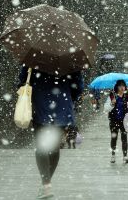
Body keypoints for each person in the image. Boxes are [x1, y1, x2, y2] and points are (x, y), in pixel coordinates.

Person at [17, 66, 83, 199]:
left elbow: (22, 81)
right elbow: (78, 87)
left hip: (40, 106)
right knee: (54, 148)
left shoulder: (33, 58)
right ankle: (46, 185)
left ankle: (46, 184)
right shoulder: (71, 60)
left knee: (41, 146)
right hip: (62, 108)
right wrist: (68, 97)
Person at [108, 80, 128, 164]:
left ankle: (125, 156)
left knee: (124, 139)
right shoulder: (112, 95)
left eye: (123, 86)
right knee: (114, 138)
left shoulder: (127, 96)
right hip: (114, 120)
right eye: (120, 86)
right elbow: (107, 108)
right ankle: (113, 156)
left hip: (124, 121)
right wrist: (112, 103)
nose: (122, 88)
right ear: (117, 87)